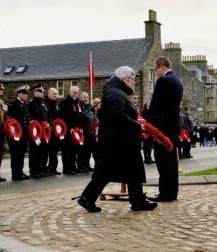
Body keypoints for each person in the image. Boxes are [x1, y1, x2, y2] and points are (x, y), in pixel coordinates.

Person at [77, 66, 157, 212]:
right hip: (116, 141)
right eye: (132, 79)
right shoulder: (115, 93)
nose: (134, 82)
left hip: (121, 140)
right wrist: (137, 126)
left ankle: (138, 200)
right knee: (106, 171)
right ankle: (86, 198)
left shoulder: (116, 91)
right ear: (125, 79)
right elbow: (118, 116)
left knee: (133, 170)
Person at [146, 57, 183, 202]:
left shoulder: (163, 81)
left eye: (155, 69)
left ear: (161, 67)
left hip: (162, 128)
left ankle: (165, 193)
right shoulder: (177, 81)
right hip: (173, 127)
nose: (156, 72)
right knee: (172, 163)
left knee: (162, 162)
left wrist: (148, 123)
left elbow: (156, 105)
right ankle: (172, 192)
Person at [7, 85, 31, 180]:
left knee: (21, 154)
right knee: (15, 154)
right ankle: (15, 174)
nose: (25, 95)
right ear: (18, 94)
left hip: (24, 135)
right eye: (23, 93)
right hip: (15, 135)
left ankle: (20, 171)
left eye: (26, 94)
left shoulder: (25, 104)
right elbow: (10, 121)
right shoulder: (12, 105)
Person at [59, 86, 83, 174]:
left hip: (76, 131)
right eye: (74, 92)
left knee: (74, 150)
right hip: (68, 131)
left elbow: (79, 117)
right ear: (69, 92)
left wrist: (80, 127)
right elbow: (64, 118)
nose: (75, 94)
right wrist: (70, 128)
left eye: (77, 93)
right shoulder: (64, 103)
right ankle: (66, 168)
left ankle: (73, 166)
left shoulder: (78, 103)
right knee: (66, 151)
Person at [28, 84, 50, 178]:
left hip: (44, 131)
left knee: (44, 151)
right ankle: (34, 171)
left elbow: (48, 115)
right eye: (40, 92)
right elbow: (29, 117)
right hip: (35, 131)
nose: (42, 93)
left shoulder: (44, 103)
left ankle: (43, 169)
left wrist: (49, 123)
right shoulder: (31, 103)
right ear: (34, 92)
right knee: (35, 152)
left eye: (42, 92)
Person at [45, 87, 61, 175]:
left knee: (54, 152)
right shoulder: (45, 103)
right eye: (54, 94)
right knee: (48, 151)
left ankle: (53, 168)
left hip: (56, 132)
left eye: (56, 94)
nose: (56, 96)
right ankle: (46, 168)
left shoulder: (55, 104)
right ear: (49, 94)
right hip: (48, 131)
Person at [79, 91, 94, 172]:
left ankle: (87, 165)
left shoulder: (90, 106)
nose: (86, 99)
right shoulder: (79, 106)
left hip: (90, 131)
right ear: (81, 98)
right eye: (84, 97)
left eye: (87, 97)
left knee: (88, 150)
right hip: (83, 131)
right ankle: (81, 165)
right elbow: (83, 116)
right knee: (83, 150)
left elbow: (92, 116)